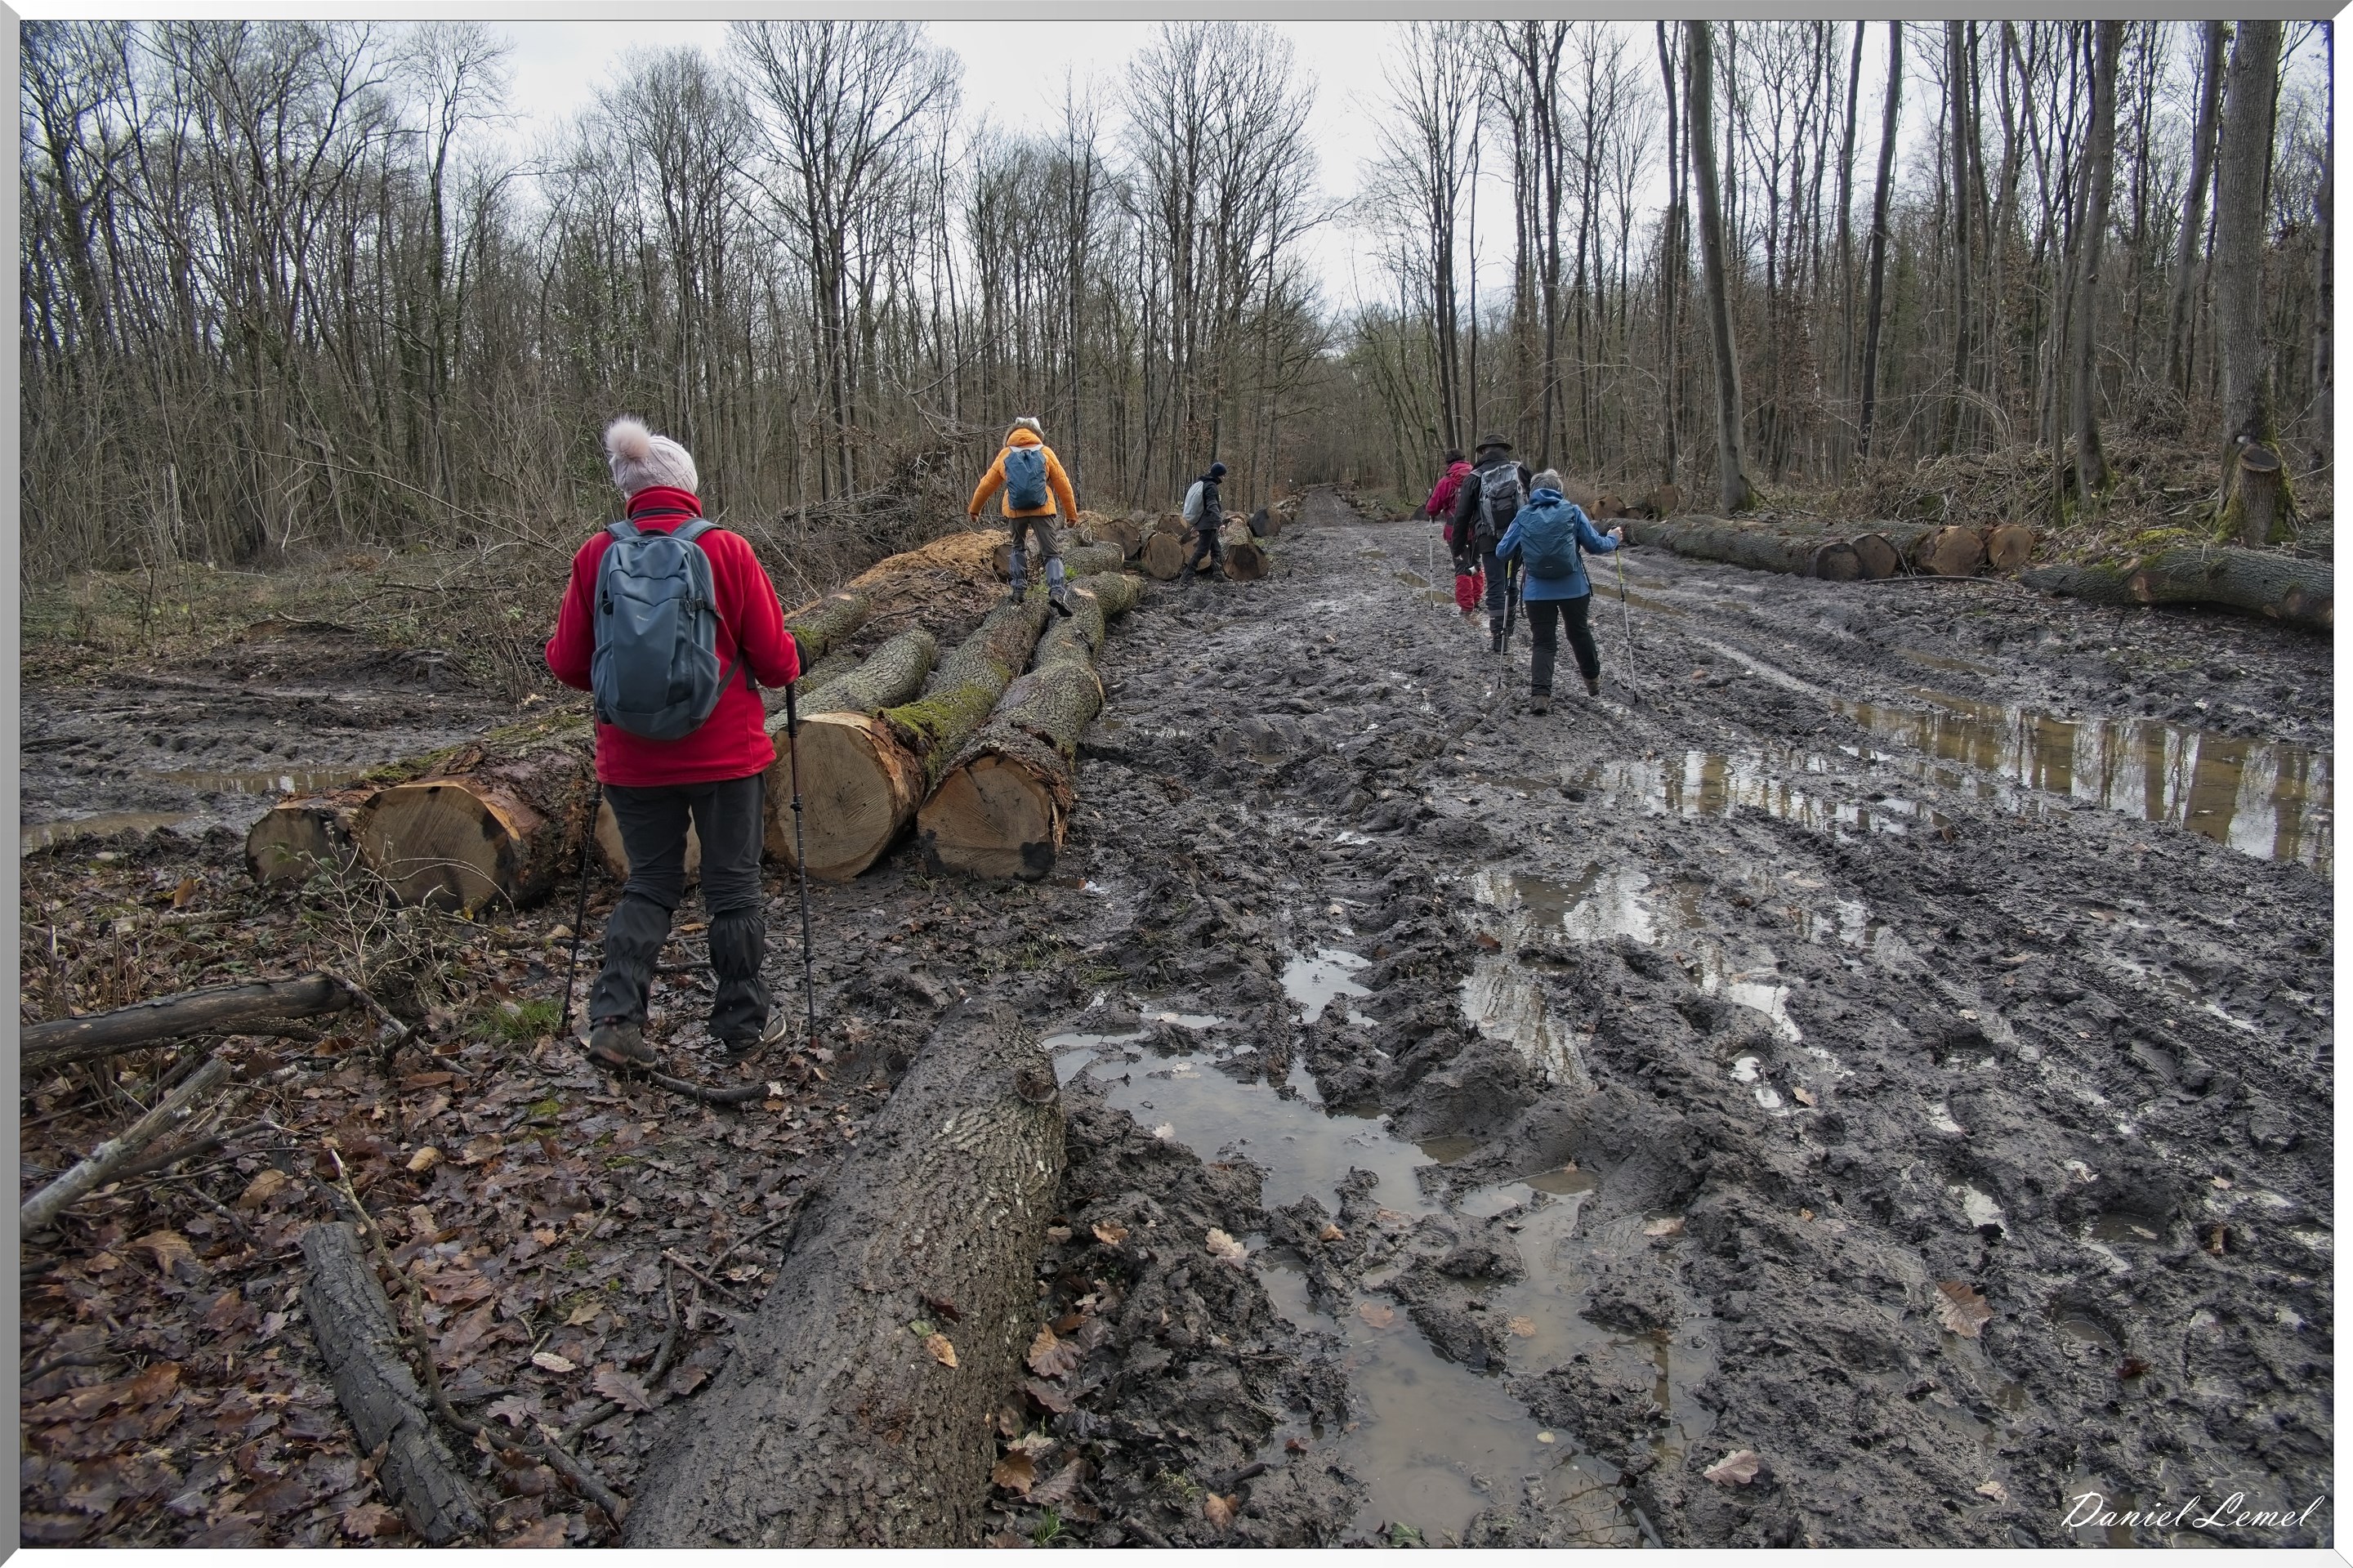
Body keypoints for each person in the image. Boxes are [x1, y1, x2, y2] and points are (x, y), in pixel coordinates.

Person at [547, 417, 801, 1069]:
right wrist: (789, 652)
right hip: (726, 755)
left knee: (650, 882)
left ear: (628, 490)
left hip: (631, 759)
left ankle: (615, 1019)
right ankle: (743, 1025)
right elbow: (777, 663)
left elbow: (568, 664)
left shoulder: (595, 554)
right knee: (733, 887)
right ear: (687, 486)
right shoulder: (726, 549)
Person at [1493, 467, 1623, 715]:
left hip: (1536, 592)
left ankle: (1540, 697)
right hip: (1573, 588)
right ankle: (1592, 682)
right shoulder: (1572, 511)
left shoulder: (1524, 515)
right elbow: (1595, 546)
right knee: (1579, 632)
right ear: (1559, 490)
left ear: (1532, 492)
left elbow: (1502, 552)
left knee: (1543, 642)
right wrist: (1614, 538)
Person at [968, 416, 1078, 617]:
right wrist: (1071, 514)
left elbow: (986, 484)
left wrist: (975, 510)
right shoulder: (1045, 452)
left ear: (1014, 432)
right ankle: (1056, 591)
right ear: (1036, 433)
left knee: (1018, 547)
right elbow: (1063, 485)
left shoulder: (1005, 454)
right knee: (1051, 553)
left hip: (1015, 510)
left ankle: (1018, 589)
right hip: (1043, 509)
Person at [1449, 436, 1534, 652]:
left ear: (1483, 452)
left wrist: (1458, 548)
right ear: (1505, 450)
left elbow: (1462, 516)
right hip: (1517, 536)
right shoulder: (1520, 471)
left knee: (1496, 585)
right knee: (1511, 581)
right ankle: (1509, 627)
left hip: (1488, 539)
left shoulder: (1475, 477)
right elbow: (1534, 503)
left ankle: (1499, 638)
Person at [1423, 449, 1478, 615]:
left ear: (1448, 463)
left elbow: (1432, 509)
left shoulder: (1445, 482)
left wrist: (1431, 500)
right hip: (1477, 529)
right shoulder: (1477, 476)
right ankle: (1477, 598)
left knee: (1461, 566)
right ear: (1464, 459)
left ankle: (1466, 606)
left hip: (1455, 531)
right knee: (1476, 562)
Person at [1180, 461, 1228, 579]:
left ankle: (1218, 575)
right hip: (1208, 524)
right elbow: (1212, 506)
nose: (1224, 477)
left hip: (1208, 523)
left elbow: (1204, 506)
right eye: (1223, 475)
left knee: (1216, 549)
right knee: (1202, 551)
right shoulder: (1211, 486)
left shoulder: (1206, 484)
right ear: (1218, 474)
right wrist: (1220, 523)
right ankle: (1186, 575)